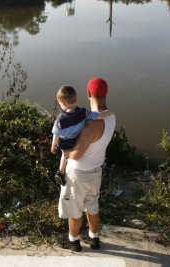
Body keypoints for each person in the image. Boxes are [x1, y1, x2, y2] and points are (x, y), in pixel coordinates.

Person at [58, 77, 116, 252]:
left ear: (88, 93)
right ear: (105, 93)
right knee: (92, 206)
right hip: (96, 171)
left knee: (74, 210)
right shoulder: (111, 116)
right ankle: (94, 238)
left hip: (78, 175)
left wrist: (63, 150)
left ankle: (73, 241)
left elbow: (76, 154)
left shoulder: (91, 125)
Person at [51, 85, 112, 186]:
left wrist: (53, 145)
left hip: (64, 143)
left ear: (64, 104)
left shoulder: (60, 119)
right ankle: (62, 171)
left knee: (64, 154)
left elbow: (56, 133)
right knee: (66, 155)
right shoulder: (84, 112)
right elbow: (98, 116)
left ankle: (61, 172)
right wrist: (107, 113)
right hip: (75, 140)